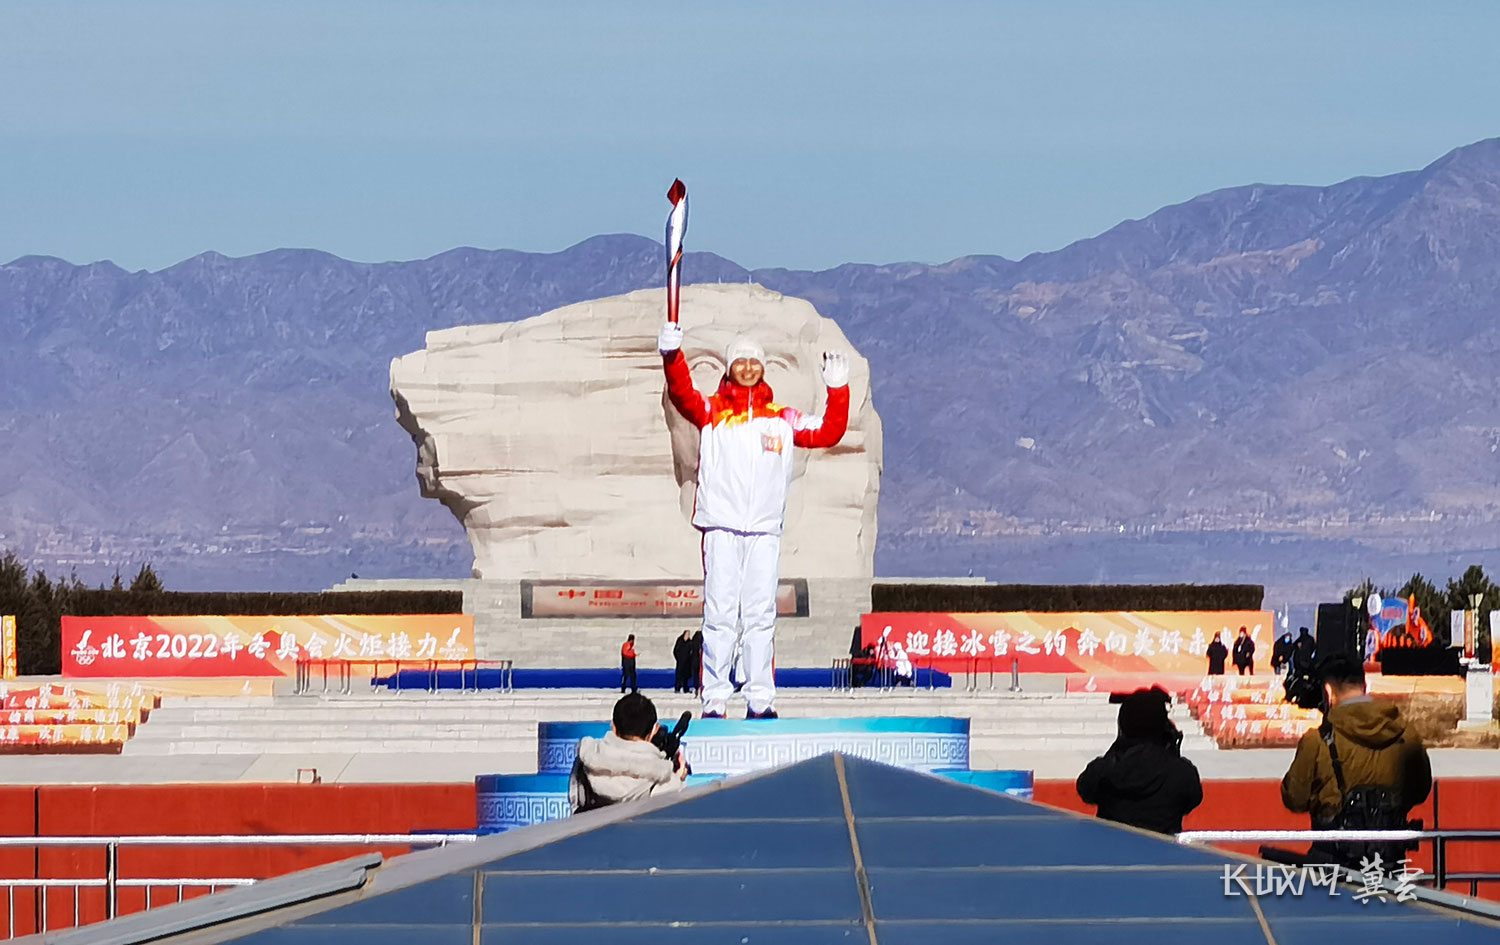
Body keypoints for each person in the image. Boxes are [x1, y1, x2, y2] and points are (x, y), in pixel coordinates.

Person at [659, 322, 850, 719]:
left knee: (761, 616)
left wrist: (838, 390)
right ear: (729, 369)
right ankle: (714, 698)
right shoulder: (712, 412)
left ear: (763, 368)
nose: (747, 367)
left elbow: (830, 432)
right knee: (720, 615)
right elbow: (681, 393)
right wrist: (672, 356)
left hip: (764, 528)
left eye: (753, 361)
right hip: (722, 525)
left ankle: (760, 698)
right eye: (740, 361)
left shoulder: (783, 418)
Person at [1279, 653, 1432, 868]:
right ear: (1364, 686)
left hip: (1332, 864)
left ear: (1328, 692)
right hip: (1389, 863)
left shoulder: (1317, 741)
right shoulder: (1407, 736)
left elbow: (1294, 798)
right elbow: (1420, 791)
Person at [1076, 687, 1203, 834]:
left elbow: (1085, 789)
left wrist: (1119, 746)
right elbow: (1191, 798)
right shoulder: (1181, 772)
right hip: (1163, 854)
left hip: (1112, 851)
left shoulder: (1104, 771)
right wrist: (1170, 748)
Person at [569, 692, 687, 812]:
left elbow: (576, 807)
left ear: (613, 726)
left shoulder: (586, 759)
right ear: (654, 730)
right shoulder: (664, 780)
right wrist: (678, 780)